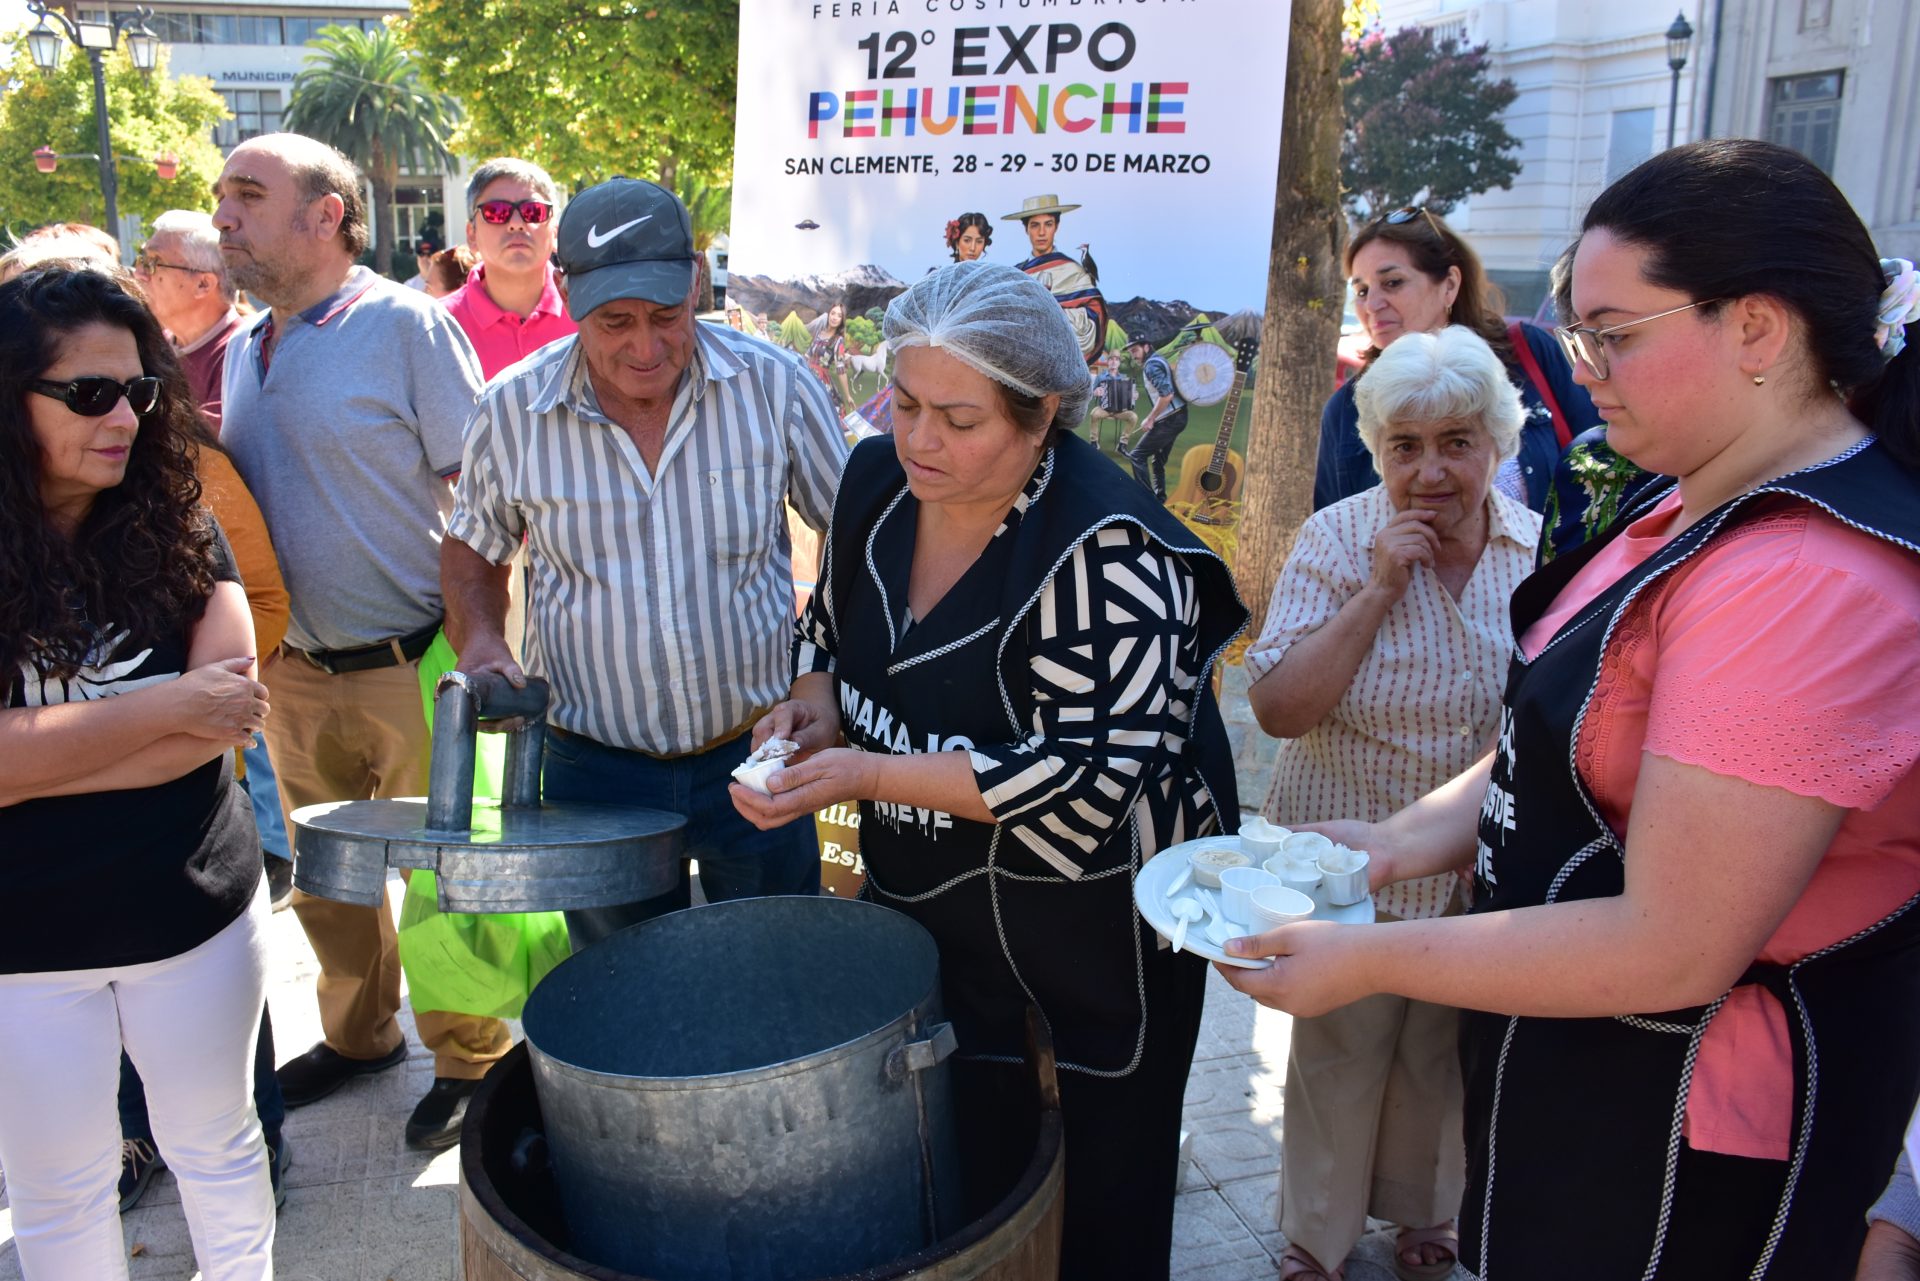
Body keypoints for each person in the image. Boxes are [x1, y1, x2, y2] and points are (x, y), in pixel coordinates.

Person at [1221, 139, 1920, 1279]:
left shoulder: (1805, 579)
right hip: (1589, 1070)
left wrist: (1375, 960)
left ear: (1756, 328)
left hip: (1686, 1124)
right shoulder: (1690, 498)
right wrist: (1391, 847)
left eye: (1613, 332)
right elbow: (1553, 746)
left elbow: (1676, 943)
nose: (1581, 365)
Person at [730, 262, 1249, 1279]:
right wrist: (812, 702)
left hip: (1099, 912)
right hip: (934, 898)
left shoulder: (1108, 555)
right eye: (909, 403)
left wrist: (864, 777)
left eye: (959, 420)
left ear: (1043, 411)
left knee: (1106, 1182)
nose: (921, 439)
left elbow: (1085, 780)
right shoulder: (876, 483)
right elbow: (835, 630)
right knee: (963, 1146)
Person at [441, 176, 848, 949]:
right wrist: (483, 641)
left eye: (667, 316)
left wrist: (818, 675)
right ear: (566, 292)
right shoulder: (513, 408)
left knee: (779, 970)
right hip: (593, 773)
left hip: (757, 755)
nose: (645, 347)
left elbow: (858, 541)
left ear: (697, 278)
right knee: (625, 991)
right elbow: (472, 545)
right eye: (614, 321)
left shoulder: (773, 387)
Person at [212, 132, 498, 1150]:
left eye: (248, 195)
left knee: (443, 874)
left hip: (409, 661)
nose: (224, 216)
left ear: (326, 215)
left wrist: (486, 641)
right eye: (220, 196)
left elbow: (486, 489)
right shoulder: (249, 346)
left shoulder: (406, 326)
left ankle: (471, 1057)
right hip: (290, 678)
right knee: (329, 878)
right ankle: (360, 1036)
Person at [1244, 326, 1541, 1281]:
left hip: (1473, 857)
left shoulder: (1532, 550)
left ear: (1497, 442)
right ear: (1377, 451)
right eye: (1405, 447)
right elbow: (1279, 708)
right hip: (1347, 851)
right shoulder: (1336, 539)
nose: (1432, 471)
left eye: (1457, 441)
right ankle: (1316, 1237)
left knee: (1445, 1048)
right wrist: (1379, 586)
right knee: (1341, 1046)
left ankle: (1431, 1212)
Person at [0, 263, 275, 1279]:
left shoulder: (174, 520)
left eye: (138, 390)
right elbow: (187, 715)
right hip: (22, 941)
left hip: (191, 906)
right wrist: (155, 709)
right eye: (87, 393)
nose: (122, 416)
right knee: (59, 1189)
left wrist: (30, 758)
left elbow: (227, 716)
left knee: (219, 1145)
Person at [1314, 205, 1601, 515]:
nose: (1372, 304)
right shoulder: (1345, 411)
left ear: (1449, 284)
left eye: (1392, 282)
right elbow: (1338, 537)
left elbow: (1607, 467)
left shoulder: (1528, 352)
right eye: (1361, 290)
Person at [442, 158, 577, 378]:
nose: (516, 223)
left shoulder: (591, 314)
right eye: (496, 211)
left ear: (555, 232)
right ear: (471, 234)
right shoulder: (438, 326)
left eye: (533, 211)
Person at [1002, 194, 1108, 365]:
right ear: (1026, 229)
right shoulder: (1015, 275)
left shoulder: (1074, 272)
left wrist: (1050, 318)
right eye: (1035, 225)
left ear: (1056, 227)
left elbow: (1093, 323)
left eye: (1048, 224)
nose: (1042, 232)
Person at [1122, 334, 1186, 501]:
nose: (1133, 355)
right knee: (1158, 463)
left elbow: (1167, 395)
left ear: (1146, 347)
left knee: (1137, 456)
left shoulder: (1151, 366)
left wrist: (1150, 419)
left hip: (1171, 420)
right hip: (1178, 417)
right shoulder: (1160, 360)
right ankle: (1160, 500)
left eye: (1135, 350)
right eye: (1130, 352)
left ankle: (1147, 502)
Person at [806, 299, 855, 412]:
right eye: (833, 313)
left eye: (839, 315)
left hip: (821, 381)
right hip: (807, 375)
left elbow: (841, 369)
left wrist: (848, 396)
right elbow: (807, 356)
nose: (834, 317)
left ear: (841, 320)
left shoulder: (838, 340)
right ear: (829, 315)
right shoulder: (819, 333)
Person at [1087, 350, 1137, 450]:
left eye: (1117, 360)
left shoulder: (1124, 378)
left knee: (1133, 417)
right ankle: (1094, 441)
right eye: (1111, 359)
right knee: (1093, 414)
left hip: (1120, 411)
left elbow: (1129, 395)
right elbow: (1091, 392)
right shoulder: (1100, 377)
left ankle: (1123, 444)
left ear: (1119, 363)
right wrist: (1096, 391)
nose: (1114, 362)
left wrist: (1134, 395)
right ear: (1108, 361)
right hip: (1104, 409)